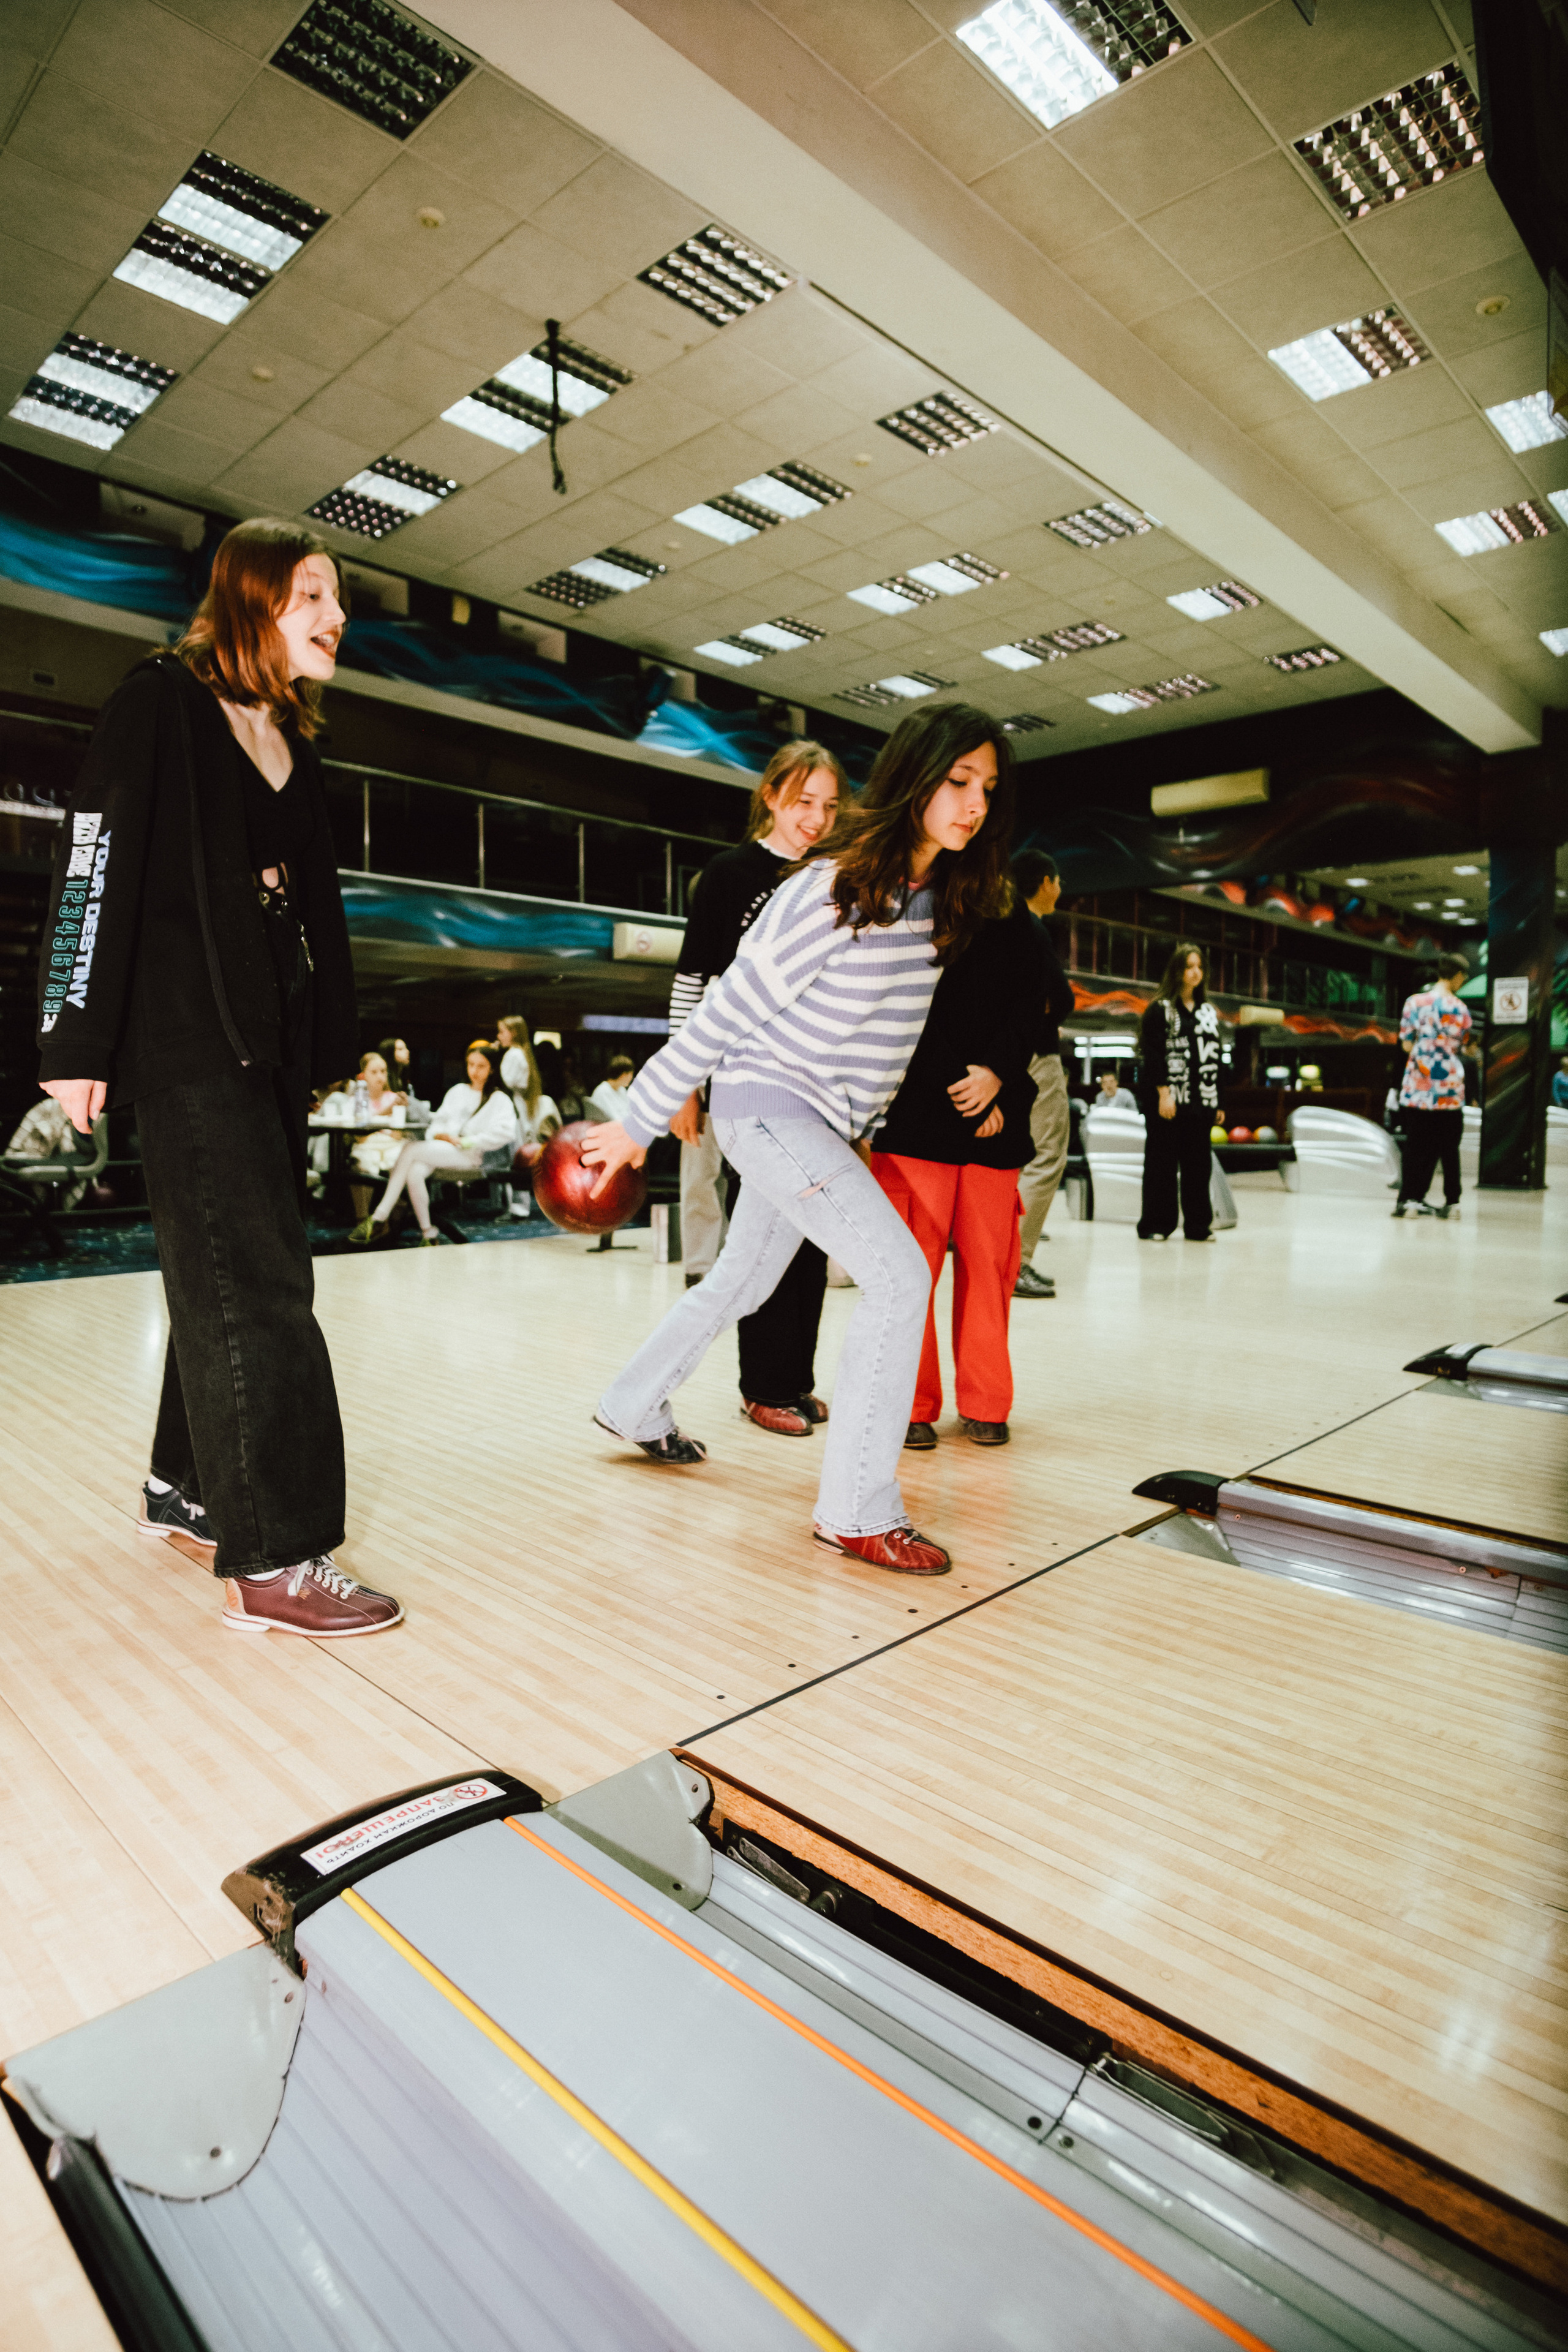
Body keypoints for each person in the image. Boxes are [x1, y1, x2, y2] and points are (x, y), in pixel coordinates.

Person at [33, 518, 402, 1636]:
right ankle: (279, 1555)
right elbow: (95, 858)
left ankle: (185, 1486)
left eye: (334, 599)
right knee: (261, 1294)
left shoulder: (291, 734)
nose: (335, 618)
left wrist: (330, 1047)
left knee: (230, 1276)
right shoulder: (163, 702)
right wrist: (71, 1042)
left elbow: (308, 907)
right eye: (311, 597)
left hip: (265, 1045)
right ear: (248, 602)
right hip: (189, 1042)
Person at [581, 703, 1016, 1578]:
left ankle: (633, 1402)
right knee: (899, 1276)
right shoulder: (837, 884)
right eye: (957, 782)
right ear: (914, 780)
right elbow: (728, 1003)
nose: (973, 804)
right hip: (768, 1109)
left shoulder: (929, 896)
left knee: (742, 1279)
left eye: (988, 790)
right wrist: (640, 1119)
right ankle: (857, 1507)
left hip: (815, 1122)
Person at [668, 739, 845, 1431]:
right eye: (803, 802)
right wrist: (685, 1084)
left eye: (829, 806)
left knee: (810, 1237)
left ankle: (793, 1379)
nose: (815, 818)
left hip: (819, 1088)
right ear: (771, 796)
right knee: (762, 1232)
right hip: (748, 1085)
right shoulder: (728, 875)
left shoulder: (836, 876)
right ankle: (762, 1386)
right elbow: (691, 981)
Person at [871, 886, 1046, 1449]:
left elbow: (1040, 1004)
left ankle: (986, 1401)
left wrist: (994, 1074)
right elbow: (901, 1008)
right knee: (908, 1272)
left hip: (996, 1118)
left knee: (989, 1269)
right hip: (920, 1119)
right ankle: (912, 1404)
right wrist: (966, 1090)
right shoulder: (909, 901)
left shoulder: (1014, 912)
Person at [349, 1039, 517, 1245]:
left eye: (481, 1066)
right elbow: (437, 1123)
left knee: (410, 1149)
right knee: (415, 1172)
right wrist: (441, 1135)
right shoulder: (458, 1092)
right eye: (471, 1065)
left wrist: (467, 1141)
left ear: (492, 1070)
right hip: (445, 1149)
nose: (474, 1070)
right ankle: (429, 1234)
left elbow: (505, 1133)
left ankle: (379, 1217)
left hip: (472, 1155)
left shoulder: (499, 1099)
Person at [1009, 848, 1076, 1301]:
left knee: (1018, 1158)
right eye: (1058, 880)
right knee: (1047, 1154)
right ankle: (1017, 1262)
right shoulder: (1032, 930)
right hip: (1038, 1056)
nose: (1060, 889)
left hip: (1012, 1059)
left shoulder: (1000, 928)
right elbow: (1061, 999)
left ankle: (1005, 1256)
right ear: (1044, 882)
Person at [1137, 943, 1221, 1242]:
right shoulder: (1160, 1010)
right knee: (1162, 1165)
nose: (1195, 972)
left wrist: (1216, 1099)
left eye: (1199, 966)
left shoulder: (1209, 1012)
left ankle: (1199, 1226)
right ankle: (1156, 1224)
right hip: (1168, 1102)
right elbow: (1153, 1054)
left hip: (1200, 1103)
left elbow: (1213, 1057)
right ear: (1177, 971)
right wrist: (1163, 1092)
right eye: (1189, 966)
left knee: (1199, 1166)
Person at [1393, 954, 1471, 1219]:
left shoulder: (1414, 1003)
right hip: (1450, 1089)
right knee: (1449, 1147)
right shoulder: (1461, 1009)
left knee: (1416, 1146)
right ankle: (1453, 1203)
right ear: (1458, 975)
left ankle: (1411, 1201)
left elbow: (1405, 1044)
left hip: (1419, 1086)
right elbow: (1463, 1046)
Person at [496, 1012, 560, 1217]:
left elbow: (507, 1083)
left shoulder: (513, 1054)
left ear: (513, 1033)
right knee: (516, 1158)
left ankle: (518, 1207)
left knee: (514, 1159)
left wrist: (493, 1056)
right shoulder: (521, 1053)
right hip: (517, 1109)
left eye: (501, 1032)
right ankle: (516, 1206)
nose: (499, 1036)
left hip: (512, 1110)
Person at [586, 1054, 636, 1123]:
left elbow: (629, 1112)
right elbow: (612, 1118)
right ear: (623, 1075)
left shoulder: (622, 1090)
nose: (631, 1078)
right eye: (631, 1074)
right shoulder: (603, 1091)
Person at [378, 1035, 414, 1099]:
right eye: (400, 1049)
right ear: (390, 1054)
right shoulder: (384, 1077)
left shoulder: (403, 1076)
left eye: (406, 1048)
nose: (407, 1052)